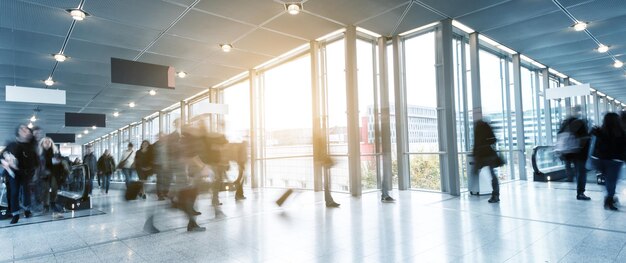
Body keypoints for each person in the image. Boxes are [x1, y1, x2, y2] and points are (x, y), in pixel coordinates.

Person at [0, 124, 39, 224]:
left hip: (26, 173)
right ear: (18, 133)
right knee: (14, 192)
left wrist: (34, 174)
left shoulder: (32, 148)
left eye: (26, 129)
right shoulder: (12, 145)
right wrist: (5, 162)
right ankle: (15, 214)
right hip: (13, 174)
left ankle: (27, 210)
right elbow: (1, 157)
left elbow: (36, 163)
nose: (25, 130)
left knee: (26, 192)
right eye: (22, 129)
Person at [590, 112, 626, 210]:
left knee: (608, 181)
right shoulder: (620, 132)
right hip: (614, 161)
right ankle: (609, 200)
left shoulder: (599, 131)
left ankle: (610, 198)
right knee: (612, 181)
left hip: (600, 160)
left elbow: (595, 146)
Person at [557, 105, 591, 200]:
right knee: (581, 172)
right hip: (579, 152)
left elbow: (559, 136)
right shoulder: (580, 122)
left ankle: (570, 178)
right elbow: (585, 138)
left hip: (567, 152)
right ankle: (580, 192)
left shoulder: (564, 123)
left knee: (569, 167)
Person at [472, 119, 503, 203]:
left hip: (484, 155)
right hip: (489, 154)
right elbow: (493, 140)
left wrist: (475, 154)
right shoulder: (486, 127)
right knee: (492, 175)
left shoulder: (478, 129)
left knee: (477, 172)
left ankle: (495, 195)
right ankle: (496, 195)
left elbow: (476, 143)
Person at [38, 137, 66, 218]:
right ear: (42, 143)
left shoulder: (55, 152)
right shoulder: (40, 153)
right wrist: (51, 161)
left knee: (55, 188)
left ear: (51, 143)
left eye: (49, 142)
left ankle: (53, 203)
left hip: (54, 173)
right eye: (45, 142)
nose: (47, 143)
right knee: (45, 189)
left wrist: (59, 161)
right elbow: (40, 163)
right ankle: (46, 205)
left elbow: (60, 161)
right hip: (44, 174)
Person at [314, 134, 339, 207]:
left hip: (324, 166)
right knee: (326, 185)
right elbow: (319, 159)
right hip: (324, 166)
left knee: (327, 185)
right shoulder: (319, 150)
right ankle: (329, 201)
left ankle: (329, 201)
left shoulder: (320, 149)